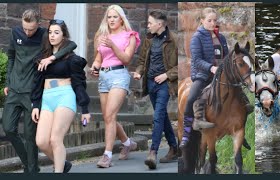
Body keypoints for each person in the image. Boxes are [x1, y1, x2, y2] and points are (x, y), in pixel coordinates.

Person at [2, 9, 77, 173]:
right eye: (25, 29)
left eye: (32, 29)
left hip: (32, 91)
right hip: (14, 89)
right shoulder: (15, 33)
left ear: (39, 24)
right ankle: (49, 164)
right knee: (8, 128)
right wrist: (8, 81)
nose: (28, 33)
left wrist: (52, 57)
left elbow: (71, 44)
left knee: (31, 136)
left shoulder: (45, 34)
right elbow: (12, 56)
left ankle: (32, 169)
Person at [179, 7, 253, 149]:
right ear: (202, 21)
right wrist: (211, 68)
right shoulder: (197, 38)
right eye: (209, 20)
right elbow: (196, 59)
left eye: (215, 20)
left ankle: (239, 131)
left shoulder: (221, 38)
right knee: (191, 98)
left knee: (243, 100)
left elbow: (226, 58)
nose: (213, 23)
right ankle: (187, 134)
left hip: (221, 75)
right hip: (203, 75)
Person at [30, 19, 91, 173]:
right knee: (42, 141)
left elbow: (79, 83)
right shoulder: (43, 56)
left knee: (55, 139)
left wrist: (84, 108)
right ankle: (63, 164)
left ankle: (58, 171)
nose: (52, 36)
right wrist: (35, 105)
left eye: (56, 32)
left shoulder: (70, 58)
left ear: (63, 36)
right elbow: (37, 83)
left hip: (65, 95)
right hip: (47, 98)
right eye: (50, 32)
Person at [90, 4, 140, 168]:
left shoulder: (129, 35)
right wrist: (95, 67)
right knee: (108, 117)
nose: (111, 20)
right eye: (109, 17)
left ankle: (107, 155)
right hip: (104, 77)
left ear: (121, 19)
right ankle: (127, 143)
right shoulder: (103, 36)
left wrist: (112, 45)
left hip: (119, 76)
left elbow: (126, 59)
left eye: (114, 17)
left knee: (110, 115)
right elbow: (99, 58)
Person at [132, 10, 178, 170]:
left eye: (150, 23)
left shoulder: (174, 41)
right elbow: (143, 59)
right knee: (163, 116)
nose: (148, 25)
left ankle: (153, 152)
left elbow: (182, 65)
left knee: (158, 116)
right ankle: (174, 147)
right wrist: (138, 72)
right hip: (150, 84)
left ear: (159, 24)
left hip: (165, 84)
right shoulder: (149, 39)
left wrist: (166, 75)